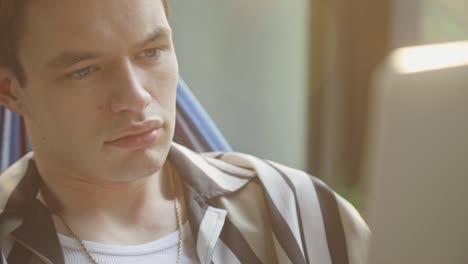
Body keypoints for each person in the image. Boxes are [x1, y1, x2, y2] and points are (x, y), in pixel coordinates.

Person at [0, 0, 370, 263]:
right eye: (84, 71)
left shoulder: (300, 211)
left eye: (151, 53)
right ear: (10, 90)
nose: (135, 97)